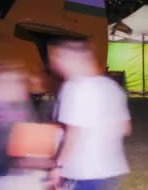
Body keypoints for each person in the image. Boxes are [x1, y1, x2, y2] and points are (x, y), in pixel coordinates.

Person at [48, 39, 132, 190]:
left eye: (60, 59)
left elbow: (73, 133)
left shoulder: (74, 87)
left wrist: (58, 166)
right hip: (112, 169)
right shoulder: (112, 87)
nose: (56, 66)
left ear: (74, 60)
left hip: (84, 171)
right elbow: (126, 128)